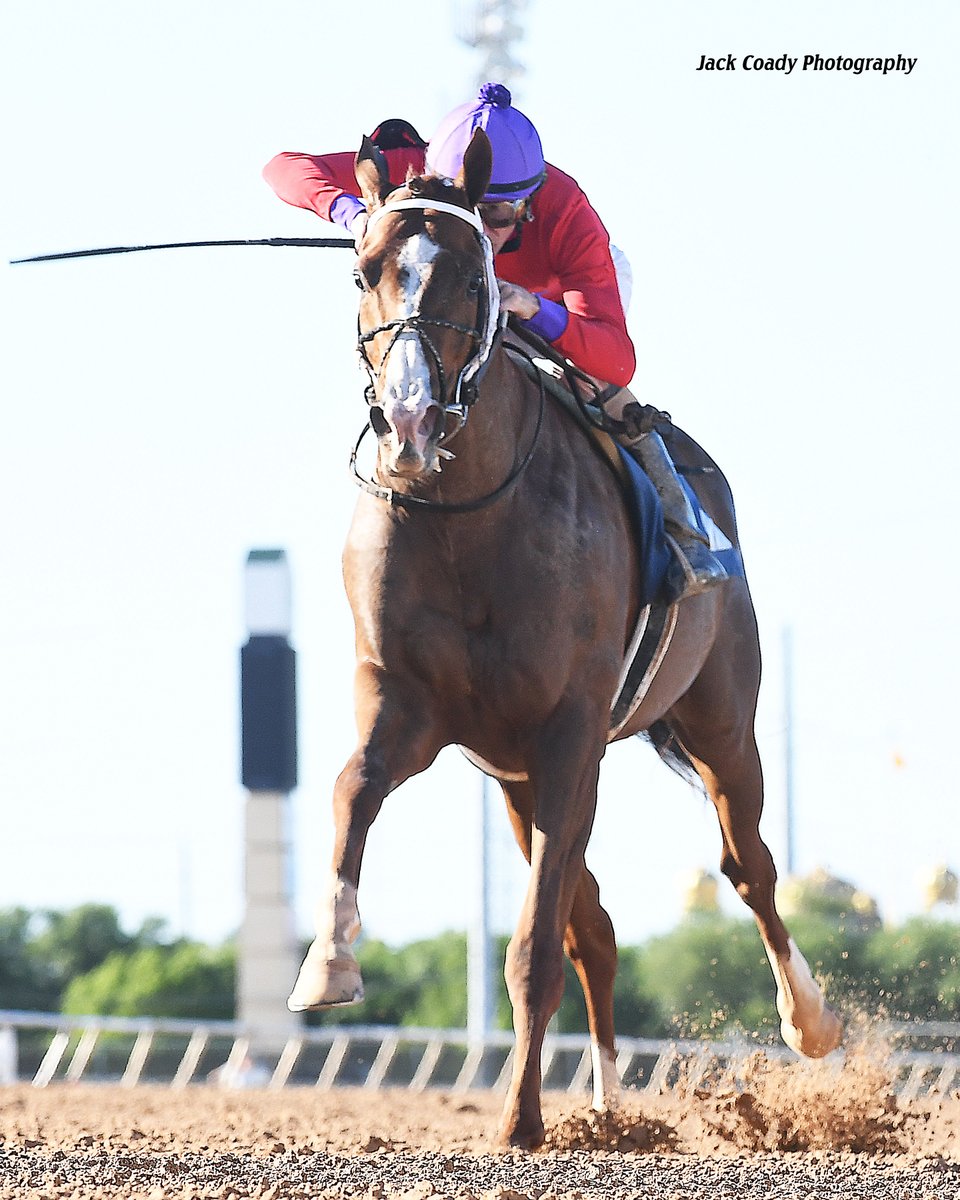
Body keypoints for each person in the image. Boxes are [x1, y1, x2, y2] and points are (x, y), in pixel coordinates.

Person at [263, 83, 726, 600]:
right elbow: (283, 167)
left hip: (546, 302)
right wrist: (352, 213)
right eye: (467, 208)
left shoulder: (566, 209)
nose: (481, 231)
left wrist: (536, 309)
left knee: (598, 388)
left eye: (498, 217)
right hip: (453, 301)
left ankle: (684, 529)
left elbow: (616, 359)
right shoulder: (414, 167)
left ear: (529, 203)